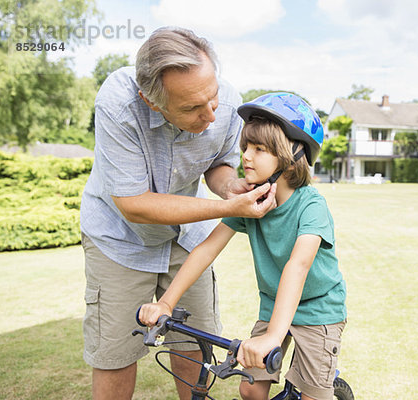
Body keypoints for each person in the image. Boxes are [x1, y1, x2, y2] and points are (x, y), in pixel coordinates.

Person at [80, 27, 277, 400]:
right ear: (151, 101)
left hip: (186, 238)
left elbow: (219, 163)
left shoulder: (228, 103)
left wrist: (228, 186)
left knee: (195, 344)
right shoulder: (119, 105)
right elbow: (134, 203)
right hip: (120, 240)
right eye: (191, 108)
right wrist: (226, 207)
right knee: (116, 353)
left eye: (213, 98)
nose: (211, 115)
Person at [139, 92, 348, 400]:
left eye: (259, 149)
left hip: (319, 310)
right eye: (245, 147)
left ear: (292, 156)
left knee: (314, 395)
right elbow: (206, 249)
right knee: (250, 388)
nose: (246, 156)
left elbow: (298, 266)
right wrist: (166, 303)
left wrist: (273, 338)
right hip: (275, 306)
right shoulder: (251, 203)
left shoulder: (311, 206)